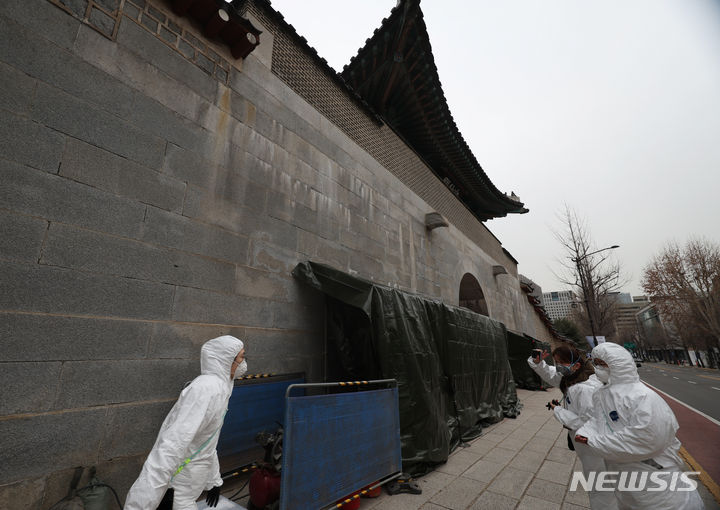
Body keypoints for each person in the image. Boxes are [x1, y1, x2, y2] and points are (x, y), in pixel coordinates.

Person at [575, 342, 704, 510]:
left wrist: (594, 441)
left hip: (657, 482)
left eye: (602, 364)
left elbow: (647, 439)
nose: (597, 368)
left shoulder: (642, 397)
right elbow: (597, 422)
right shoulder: (601, 395)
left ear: (618, 365)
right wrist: (586, 434)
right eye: (596, 363)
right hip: (624, 482)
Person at [124, 335, 247, 510]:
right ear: (226, 360)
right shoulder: (204, 390)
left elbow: (207, 442)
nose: (244, 363)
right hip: (179, 490)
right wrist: (138, 506)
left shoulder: (221, 388)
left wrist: (214, 480)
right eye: (241, 357)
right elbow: (171, 446)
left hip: (190, 487)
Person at [528, 344, 617, 510]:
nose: (558, 367)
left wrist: (558, 410)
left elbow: (585, 422)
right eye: (556, 362)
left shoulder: (585, 389)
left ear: (575, 365)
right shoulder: (573, 377)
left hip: (594, 447)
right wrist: (538, 362)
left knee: (601, 488)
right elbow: (551, 374)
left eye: (561, 363)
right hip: (586, 445)